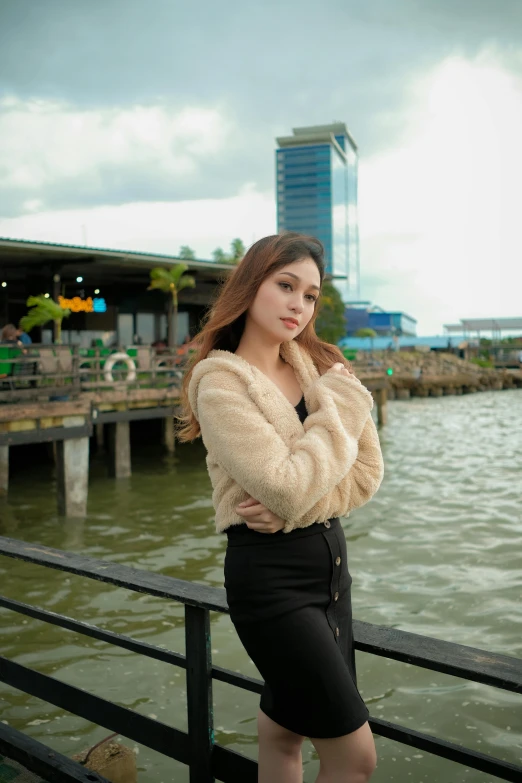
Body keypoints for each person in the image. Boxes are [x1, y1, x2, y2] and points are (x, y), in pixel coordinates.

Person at [177, 233, 384, 783]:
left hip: (334, 577)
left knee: (283, 731)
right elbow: (285, 485)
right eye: (286, 285)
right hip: (271, 582)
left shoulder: (320, 366)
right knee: (355, 756)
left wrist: (294, 509)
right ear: (251, 286)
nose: (300, 304)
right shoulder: (220, 382)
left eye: (311, 295)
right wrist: (338, 407)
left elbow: (365, 475)